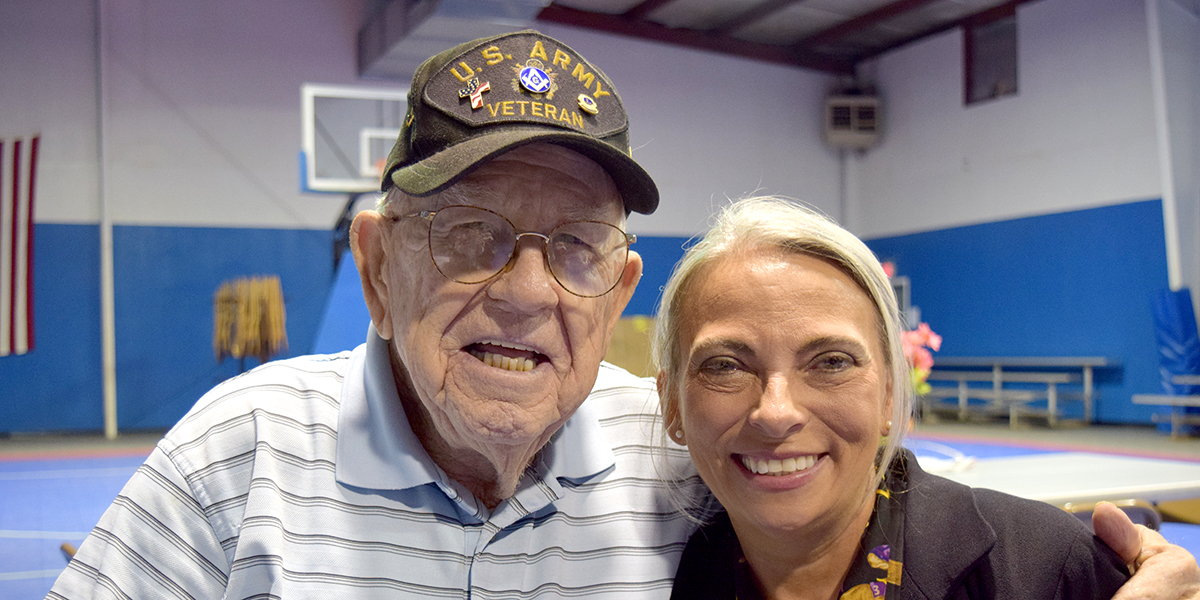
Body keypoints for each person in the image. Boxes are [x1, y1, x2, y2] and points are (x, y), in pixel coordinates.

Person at [46, 31, 1198, 600]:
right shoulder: (236, 460)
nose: (529, 290)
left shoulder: (692, 451)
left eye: (577, 247)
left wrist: (1103, 577)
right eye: (471, 235)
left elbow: (883, 508)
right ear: (377, 259)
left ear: (624, 290)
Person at [650, 196, 1192, 599]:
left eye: (832, 362)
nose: (776, 410)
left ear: (890, 394)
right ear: (672, 403)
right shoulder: (659, 577)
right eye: (725, 366)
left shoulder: (1046, 571)